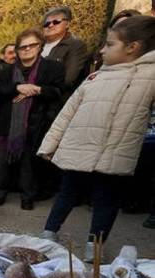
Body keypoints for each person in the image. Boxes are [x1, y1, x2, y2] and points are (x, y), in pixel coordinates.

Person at [38, 16, 155, 260]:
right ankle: (48, 234)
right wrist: (49, 145)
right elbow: (66, 113)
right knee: (67, 192)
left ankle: (95, 246)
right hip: (79, 146)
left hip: (114, 151)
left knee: (106, 199)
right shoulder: (95, 77)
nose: (102, 50)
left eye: (110, 45)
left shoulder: (150, 75)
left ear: (133, 47)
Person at [0, 28, 64, 210]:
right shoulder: (5, 71)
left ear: (40, 46)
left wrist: (36, 89)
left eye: (31, 45)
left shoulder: (52, 68)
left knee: (29, 163)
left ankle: (27, 196)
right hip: (6, 124)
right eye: (22, 46)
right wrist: (18, 88)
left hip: (36, 123)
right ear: (17, 50)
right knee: (1, 161)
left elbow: (58, 92)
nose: (27, 49)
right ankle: (0, 192)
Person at [41, 6, 89, 103]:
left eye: (56, 22)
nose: (50, 25)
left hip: (54, 104)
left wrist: (36, 86)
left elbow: (68, 79)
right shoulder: (37, 45)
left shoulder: (75, 46)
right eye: (46, 24)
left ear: (67, 24)